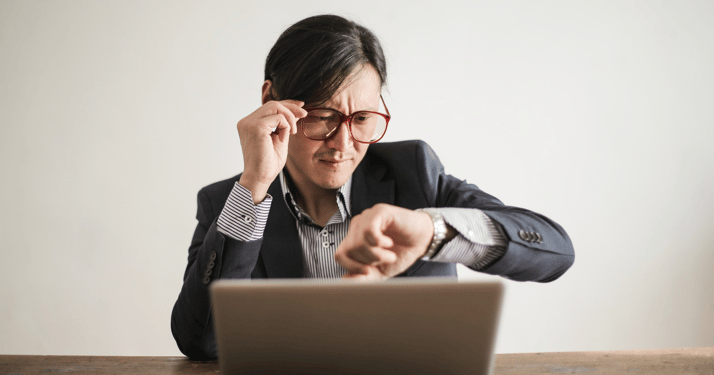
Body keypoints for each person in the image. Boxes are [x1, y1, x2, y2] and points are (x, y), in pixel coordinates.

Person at [171, 14, 574, 360]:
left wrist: (432, 233)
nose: (343, 145)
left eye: (362, 118)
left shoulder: (414, 172)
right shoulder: (227, 202)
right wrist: (255, 187)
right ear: (271, 102)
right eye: (322, 116)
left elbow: (554, 251)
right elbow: (200, 341)